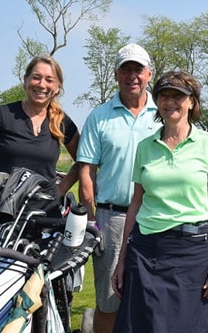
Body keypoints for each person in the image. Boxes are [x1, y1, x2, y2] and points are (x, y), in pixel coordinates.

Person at [112, 70, 208, 333]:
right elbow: (136, 204)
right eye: (164, 96)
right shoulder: (145, 146)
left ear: (192, 102)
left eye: (178, 96)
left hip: (193, 251)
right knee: (141, 326)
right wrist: (122, 260)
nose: (170, 102)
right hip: (146, 250)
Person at [76, 43, 160, 333]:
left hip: (155, 218)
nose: (132, 76)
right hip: (111, 219)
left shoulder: (163, 112)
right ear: (116, 75)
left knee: (153, 298)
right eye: (126, 69)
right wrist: (89, 219)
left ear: (149, 74)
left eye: (138, 69)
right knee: (110, 301)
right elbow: (86, 170)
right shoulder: (99, 116)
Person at [0, 54, 80, 207]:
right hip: (4, 216)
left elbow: (85, 160)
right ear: (25, 81)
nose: (42, 84)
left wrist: (60, 190)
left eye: (49, 80)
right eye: (36, 77)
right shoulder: (1, 115)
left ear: (57, 87)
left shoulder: (62, 122)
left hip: (46, 214)